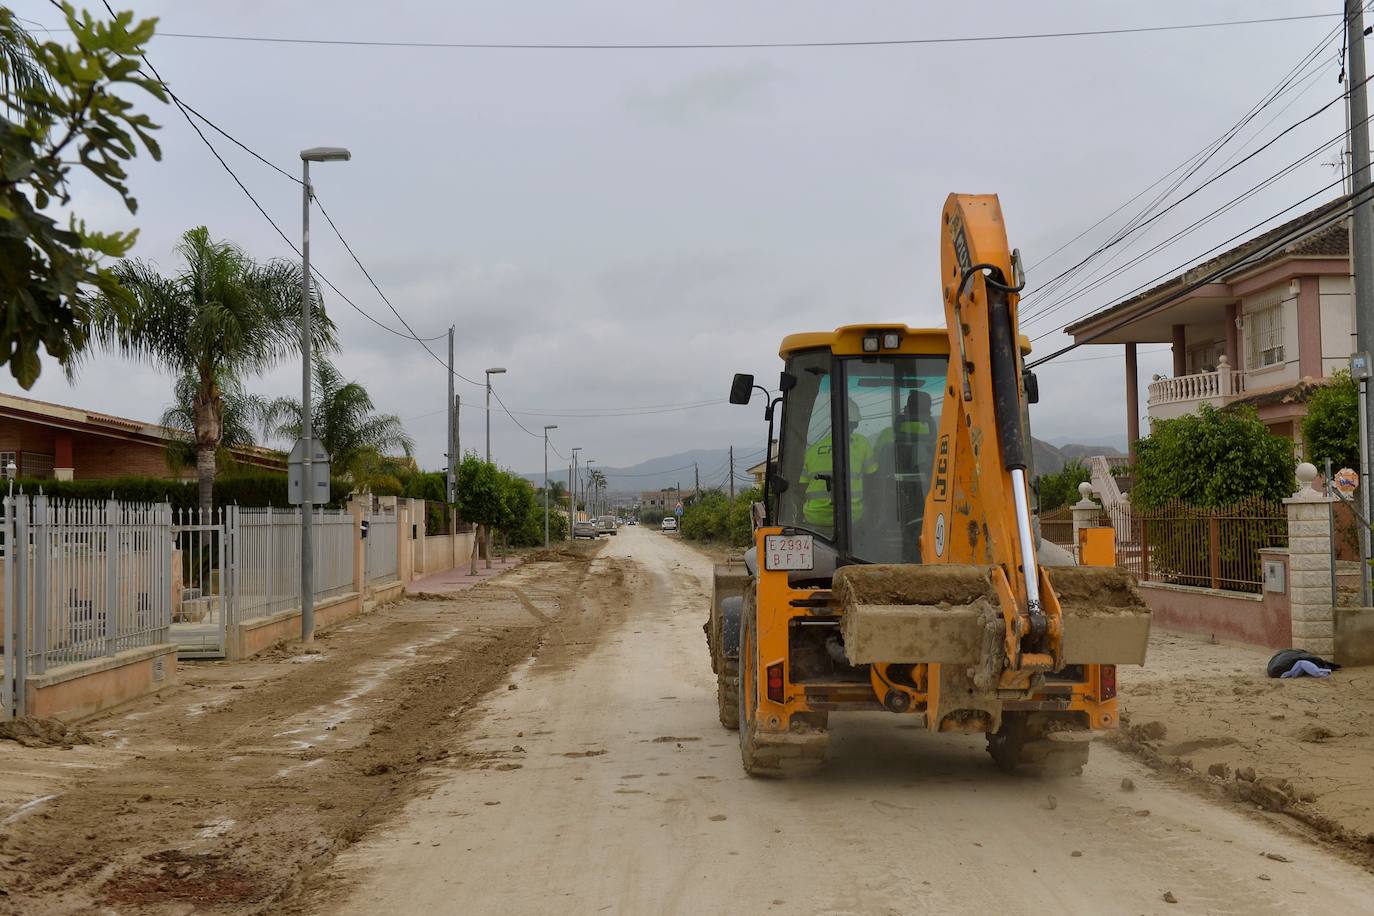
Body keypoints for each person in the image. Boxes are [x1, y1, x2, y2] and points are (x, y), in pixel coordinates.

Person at [799, 398, 878, 528]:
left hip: (814, 517)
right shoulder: (862, 444)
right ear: (856, 423)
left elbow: (801, 488)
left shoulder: (813, 450)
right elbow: (873, 480)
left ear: (832, 421)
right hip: (851, 517)